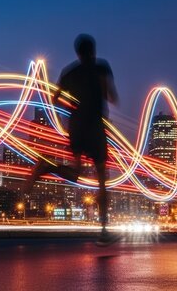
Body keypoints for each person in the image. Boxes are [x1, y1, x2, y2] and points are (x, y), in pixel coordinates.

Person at [23, 33, 118, 246]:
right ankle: (104, 230)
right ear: (93, 51)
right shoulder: (102, 67)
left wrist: (74, 107)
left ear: (78, 52)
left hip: (77, 126)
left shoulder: (69, 72)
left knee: (76, 173)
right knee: (102, 178)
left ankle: (46, 166)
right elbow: (112, 97)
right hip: (94, 125)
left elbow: (55, 99)